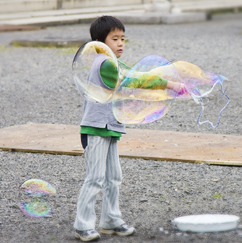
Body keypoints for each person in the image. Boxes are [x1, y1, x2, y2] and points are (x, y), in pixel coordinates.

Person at [73, 15, 185, 242]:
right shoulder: (105, 64)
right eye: (115, 39)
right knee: (95, 178)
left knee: (114, 176)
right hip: (95, 129)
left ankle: (110, 220)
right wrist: (168, 83)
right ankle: (82, 225)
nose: (121, 43)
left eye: (123, 38)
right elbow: (134, 79)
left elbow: (130, 79)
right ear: (100, 43)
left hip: (109, 127)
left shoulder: (113, 63)